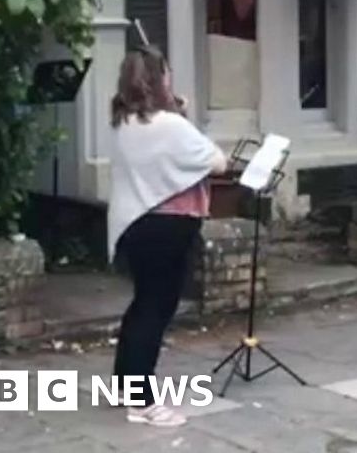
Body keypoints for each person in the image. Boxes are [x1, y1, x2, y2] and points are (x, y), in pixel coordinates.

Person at [108, 45, 228, 427]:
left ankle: (125, 384)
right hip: (168, 226)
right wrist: (180, 115)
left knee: (142, 304)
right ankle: (143, 402)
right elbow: (216, 160)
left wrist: (177, 113)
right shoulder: (171, 125)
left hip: (136, 225)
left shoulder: (124, 122)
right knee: (156, 310)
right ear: (160, 80)